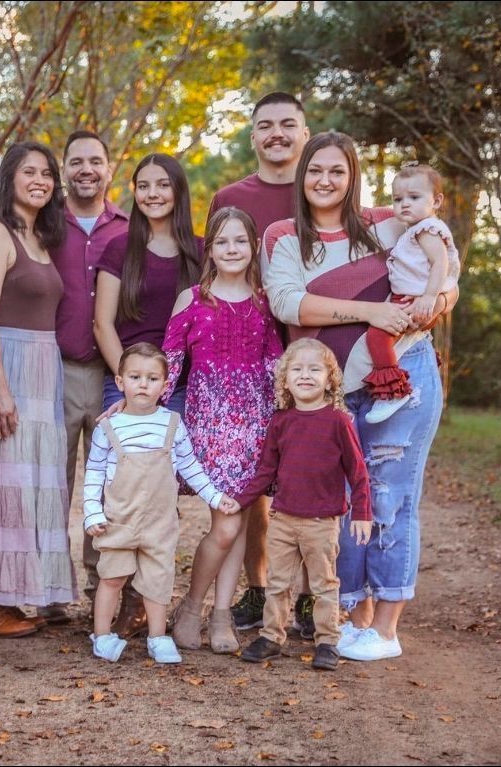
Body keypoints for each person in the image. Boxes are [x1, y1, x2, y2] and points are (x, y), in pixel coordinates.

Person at [261, 131, 459, 662]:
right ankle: (357, 617)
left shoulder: (389, 223)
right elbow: (288, 304)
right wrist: (372, 312)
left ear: (353, 177)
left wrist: (436, 301)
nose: (325, 180)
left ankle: (387, 627)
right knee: (345, 503)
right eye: (315, 170)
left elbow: (448, 271)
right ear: (302, 175)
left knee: (390, 497)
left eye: (338, 171)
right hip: (333, 393)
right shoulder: (284, 236)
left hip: (404, 373)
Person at [207, 91, 316, 638]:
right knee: (252, 488)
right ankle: (257, 587)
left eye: (287, 124)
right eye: (266, 125)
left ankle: (309, 596)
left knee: (308, 477)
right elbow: (211, 275)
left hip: (313, 352)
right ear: (252, 136)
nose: (277, 134)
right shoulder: (232, 197)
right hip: (246, 365)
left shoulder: (320, 189)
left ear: (304, 133)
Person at [0, 141, 77, 637]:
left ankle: (11, 596)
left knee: (29, 485)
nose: (40, 180)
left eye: (47, 173)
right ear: (9, 177)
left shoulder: (41, 238)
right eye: (29, 171)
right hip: (7, 365)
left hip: (43, 371)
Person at [163, 207, 283, 655]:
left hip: (254, 430)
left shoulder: (264, 303)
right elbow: (168, 366)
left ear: (253, 247)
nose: (231, 249)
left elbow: (275, 367)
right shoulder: (193, 299)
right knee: (227, 526)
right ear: (209, 250)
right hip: (209, 427)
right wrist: (139, 410)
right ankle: (192, 607)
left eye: (240, 241)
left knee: (239, 522)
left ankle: (219, 615)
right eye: (221, 241)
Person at [84, 343, 238, 664]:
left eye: (152, 378)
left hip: (160, 521)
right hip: (118, 519)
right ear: (120, 381)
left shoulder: (172, 423)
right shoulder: (108, 427)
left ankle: (158, 637)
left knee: (158, 580)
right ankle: (102, 635)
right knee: (112, 576)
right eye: (135, 377)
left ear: (165, 385)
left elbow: (190, 466)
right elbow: (94, 473)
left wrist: (214, 496)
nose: (143, 384)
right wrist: (92, 512)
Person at [236, 338, 373, 672]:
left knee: (324, 584)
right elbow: (266, 471)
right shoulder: (281, 421)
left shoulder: (338, 421)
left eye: (315, 369)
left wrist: (362, 512)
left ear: (330, 380)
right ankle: (271, 636)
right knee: (277, 583)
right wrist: (239, 501)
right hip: (283, 518)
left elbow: (358, 471)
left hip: (321, 522)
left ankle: (327, 641)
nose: (305, 375)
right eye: (296, 369)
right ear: (285, 380)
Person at [48, 130, 137, 632]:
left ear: (109, 168)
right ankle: (51, 587)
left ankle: (100, 581)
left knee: (106, 485)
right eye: (76, 161)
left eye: (95, 161)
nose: (86, 169)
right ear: (64, 169)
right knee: (54, 483)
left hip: (109, 374)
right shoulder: (44, 223)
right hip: (55, 371)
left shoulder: (128, 228)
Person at [94, 153, 203, 414]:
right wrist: (131, 381)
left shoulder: (202, 252)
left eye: (163, 185)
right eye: (143, 186)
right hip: (127, 383)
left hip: (183, 387)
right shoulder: (119, 249)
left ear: (178, 190)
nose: (152, 194)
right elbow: (102, 324)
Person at [362, 164, 461, 425]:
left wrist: (429, 297)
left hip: (413, 300)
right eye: (398, 199)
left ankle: (392, 392)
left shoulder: (426, 229)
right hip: (410, 298)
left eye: (414, 197)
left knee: (377, 337)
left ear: (436, 201)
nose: (404, 204)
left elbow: (440, 263)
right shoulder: (415, 229)